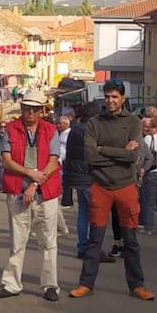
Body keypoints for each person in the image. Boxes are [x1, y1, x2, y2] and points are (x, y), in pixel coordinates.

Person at [71, 81, 155, 301]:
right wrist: (119, 152)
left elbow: (133, 156)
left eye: (115, 96)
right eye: (107, 96)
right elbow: (89, 155)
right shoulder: (94, 123)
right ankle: (86, 283)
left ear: (123, 98)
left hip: (126, 185)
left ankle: (136, 285)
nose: (110, 100)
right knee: (94, 239)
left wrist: (102, 151)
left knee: (131, 239)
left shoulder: (134, 122)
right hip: (100, 185)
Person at [0, 90, 63, 301]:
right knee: (18, 240)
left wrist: (34, 182)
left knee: (48, 241)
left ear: (41, 110)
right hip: (17, 190)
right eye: (26, 109)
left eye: (34, 109)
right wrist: (28, 173)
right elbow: (6, 160)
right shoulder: (11, 130)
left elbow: (53, 161)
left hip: (45, 192)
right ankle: (12, 283)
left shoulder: (51, 130)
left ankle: (50, 284)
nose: (30, 113)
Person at [64, 103, 93, 257]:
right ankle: (93, 248)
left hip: (77, 177)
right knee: (95, 215)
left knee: (83, 214)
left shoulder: (74, 129)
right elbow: (93, 154)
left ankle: (82, 246)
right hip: (89, 177)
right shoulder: (89, 130)